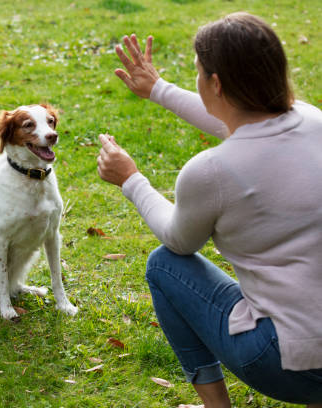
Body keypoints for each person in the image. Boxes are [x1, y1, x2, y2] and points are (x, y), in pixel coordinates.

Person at [96, 12, 322, 408]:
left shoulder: (211, 172)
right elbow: (245, 124)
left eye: (198, 72)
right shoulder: (312, 120)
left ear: (215, 83)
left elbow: (178, 240)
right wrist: (159, 89)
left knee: (164, 265)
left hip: (289, 363)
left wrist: (130, 179)